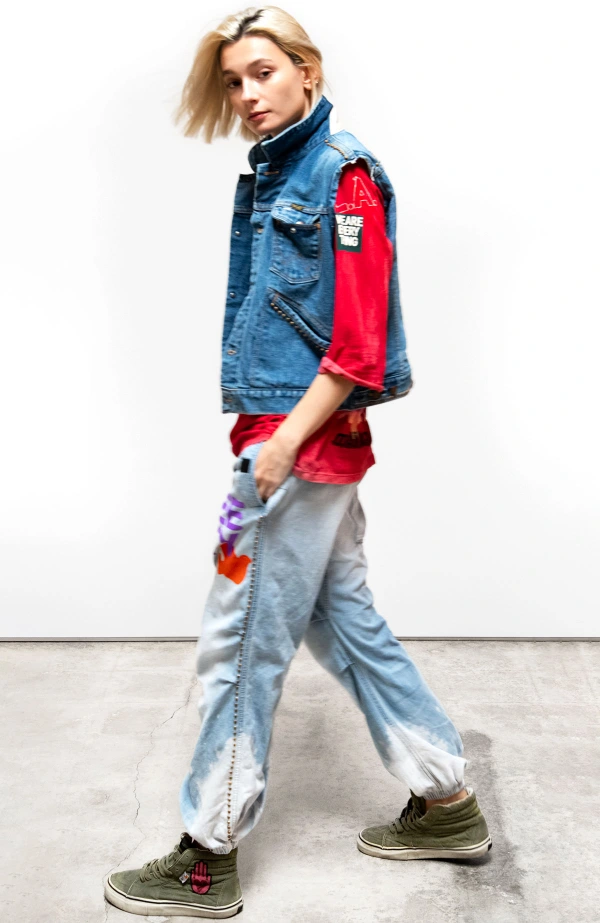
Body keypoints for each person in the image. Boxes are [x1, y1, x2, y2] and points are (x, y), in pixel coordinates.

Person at [104, 5, 492, 918]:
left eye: (264, 72)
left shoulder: (341, 175)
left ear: (307, 72)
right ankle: (446, 802)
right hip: (283, 448)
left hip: (291, 454)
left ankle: (207, 856)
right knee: (342, 621)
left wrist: (278, 445)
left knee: (236, 639)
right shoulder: (276, 174)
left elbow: (357, 348)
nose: (248, 94)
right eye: (235, 81)